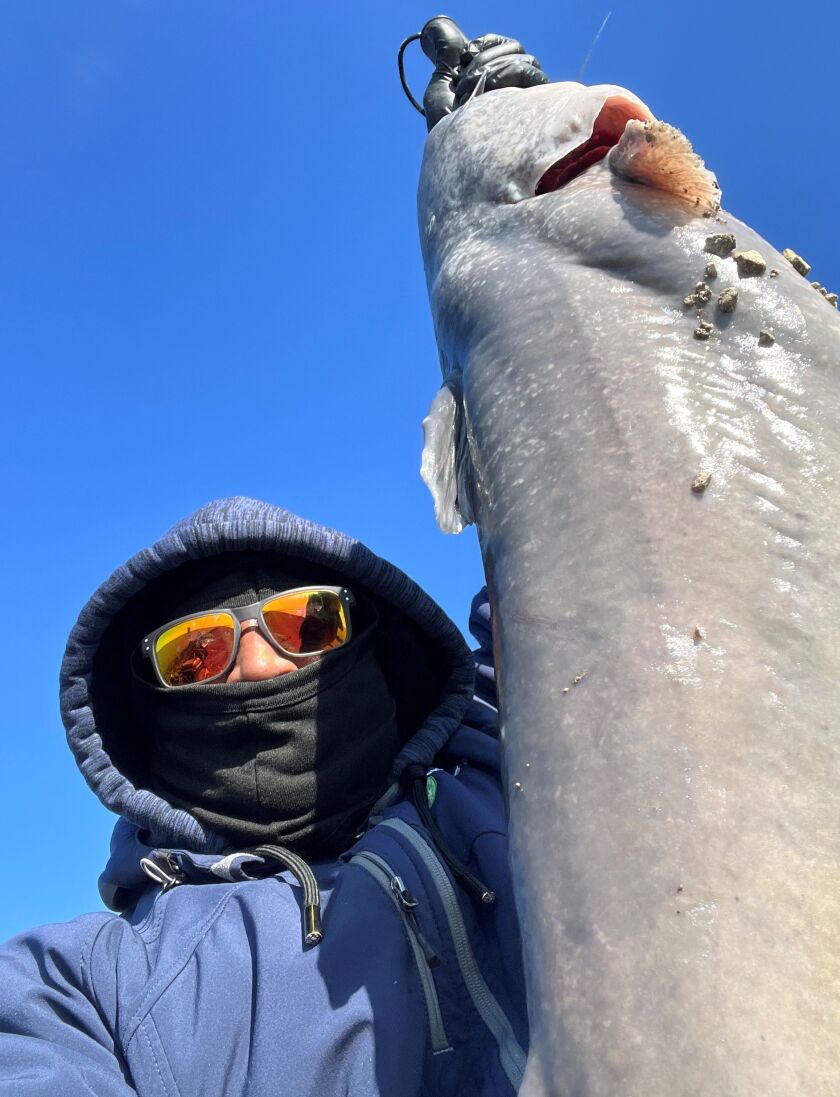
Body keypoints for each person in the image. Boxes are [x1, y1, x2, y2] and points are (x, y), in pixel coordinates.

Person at [0, 496, 528, 1096]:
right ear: (147, 701)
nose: (256, 664)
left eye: (310, 623)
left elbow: (589, 532)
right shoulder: (76, 990)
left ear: (372, 645)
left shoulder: (511, 781)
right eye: (194, 653)